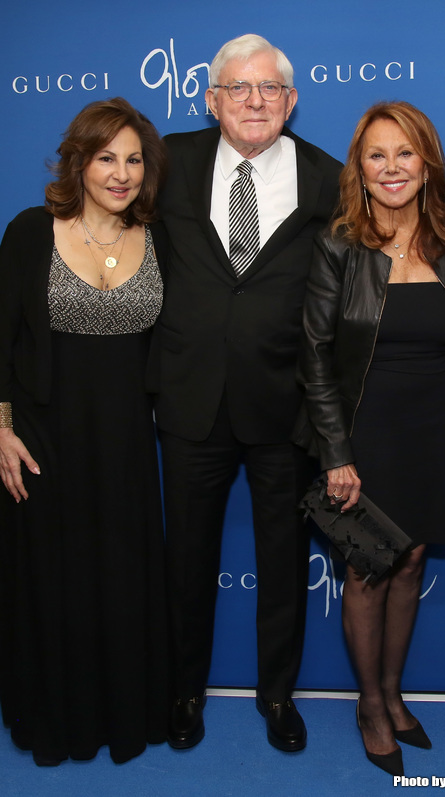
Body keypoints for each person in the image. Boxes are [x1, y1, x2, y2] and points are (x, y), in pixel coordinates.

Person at [151, 33, 341, 752]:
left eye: (269, 89)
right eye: (239, 87)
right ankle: (184, 691)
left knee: (284, 562)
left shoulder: (327, 177)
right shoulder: (168, 162)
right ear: (212, 99)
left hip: (283, 403)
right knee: (187, 559)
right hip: (189, 400)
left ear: (290, 101)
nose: (255, 100)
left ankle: (277, 696)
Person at [293, 101, 445, 775]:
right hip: (362, 430)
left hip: (427, 430)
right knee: (367, 568)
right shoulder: (340, 242)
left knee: (414, 559)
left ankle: (394, 693)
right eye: (376, 155)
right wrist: (337, 452)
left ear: (426, 162)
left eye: (405, 153)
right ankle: (369, 703)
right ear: (358, 169)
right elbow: (313, 350)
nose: (392, 167)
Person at [0, 97, 169, 766]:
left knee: (122, 579)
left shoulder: (159, 238)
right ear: (79, 160)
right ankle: (56, 716)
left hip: (127, 441)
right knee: (54, 581)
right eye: (106, 157)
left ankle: (125, 713)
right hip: (44, 439)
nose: (121, 173)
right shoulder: (28, 231)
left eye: (133, 159)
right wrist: (1, 428)